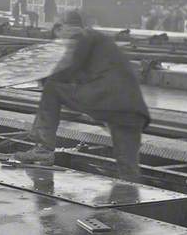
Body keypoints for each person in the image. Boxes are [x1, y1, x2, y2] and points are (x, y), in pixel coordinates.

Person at [12, 10, 151, 180]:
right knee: (128, 167)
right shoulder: (99, 43)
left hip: (108, 101)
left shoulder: (82, 37)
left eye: (58, 34)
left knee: (52, 89)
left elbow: (65, 73)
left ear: (64, 28)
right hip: (132, 112)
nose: (58, 41)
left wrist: (42, 75)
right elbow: (82, 75)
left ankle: (43, 149)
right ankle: (130, 200)